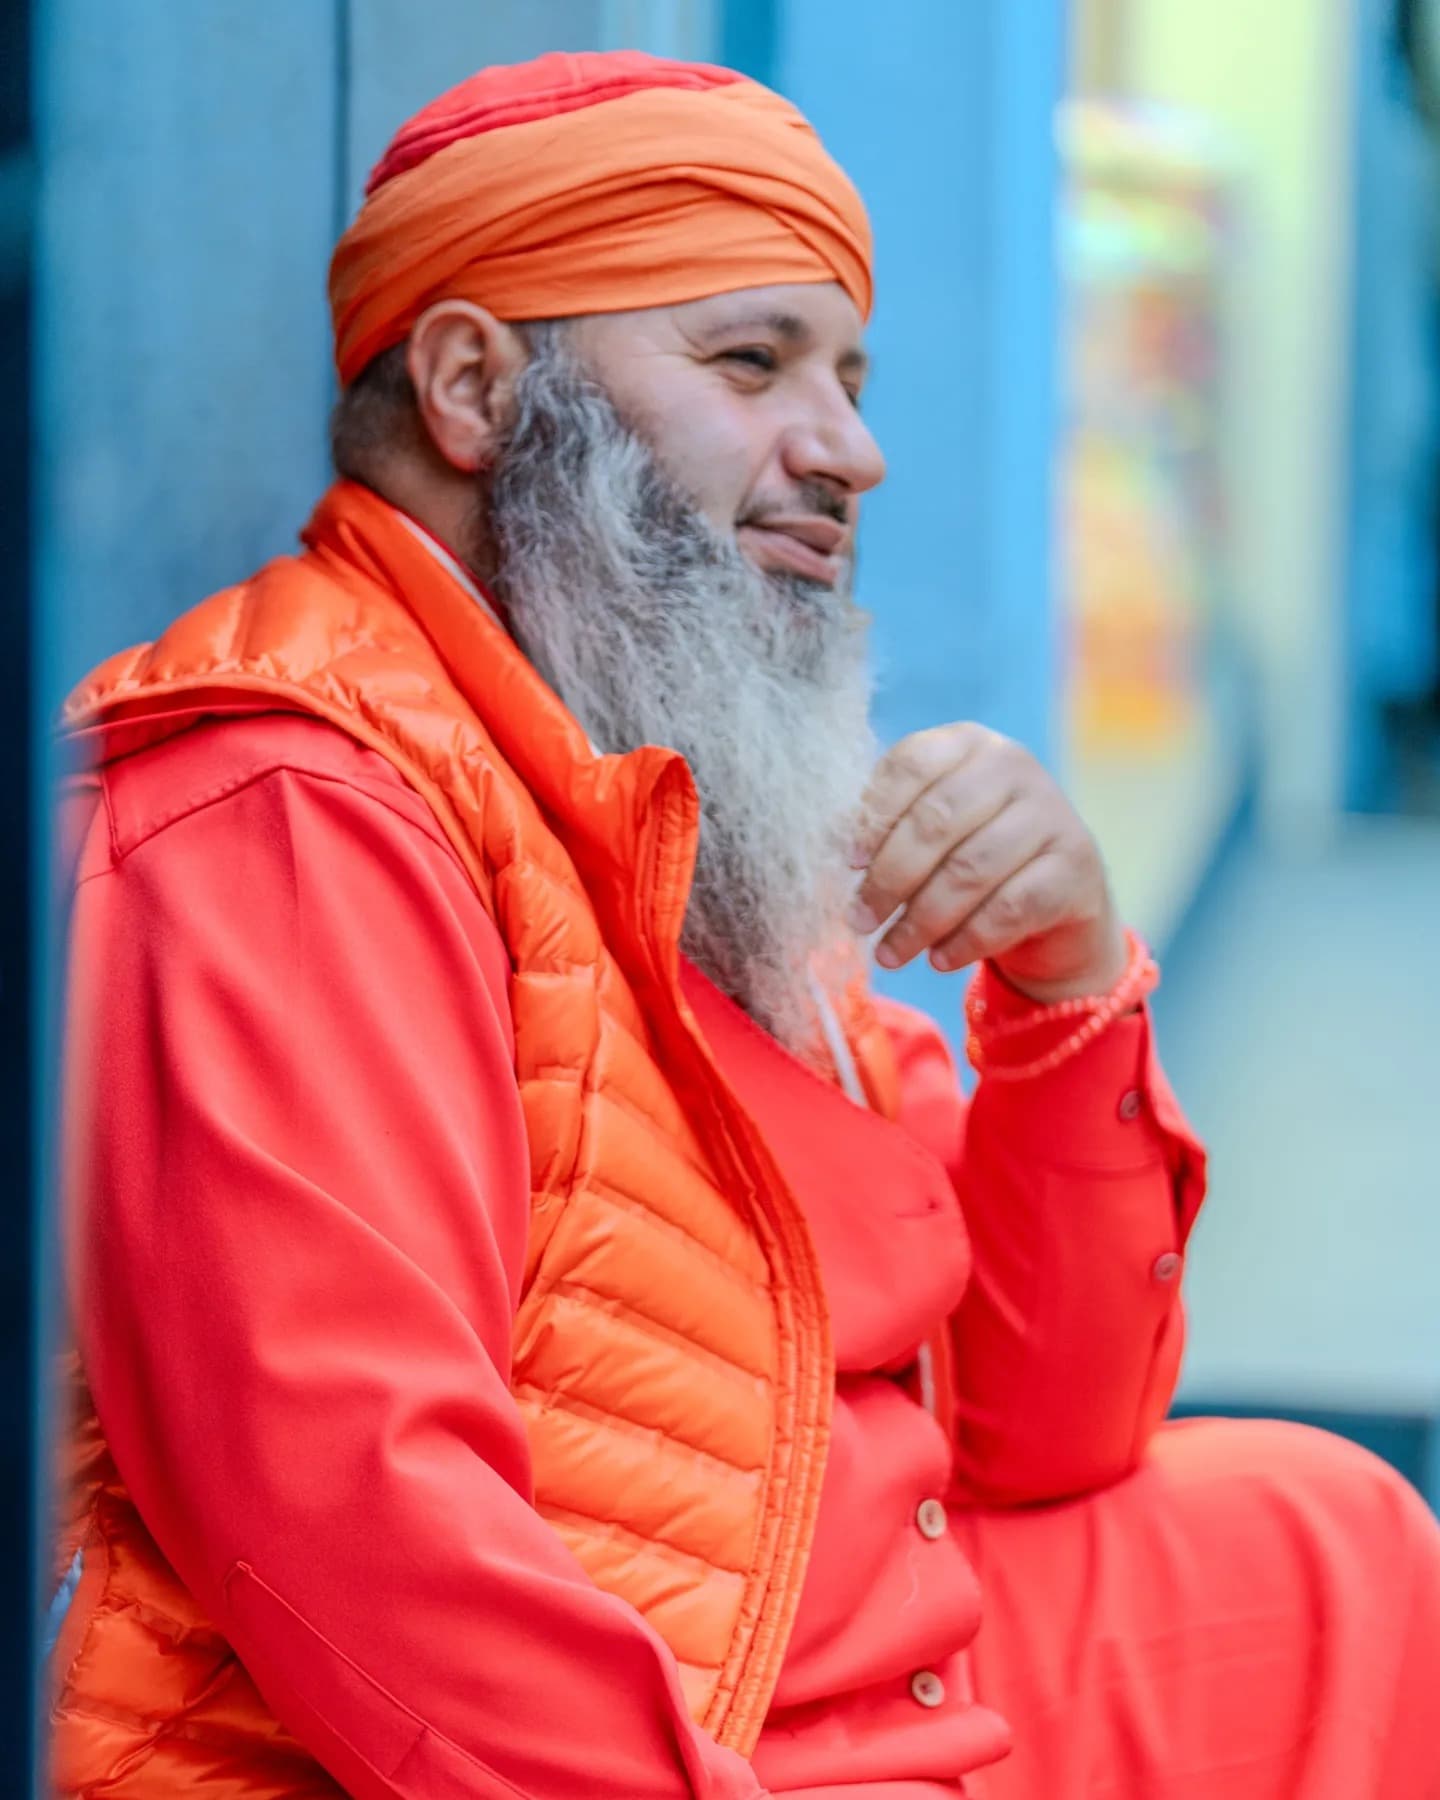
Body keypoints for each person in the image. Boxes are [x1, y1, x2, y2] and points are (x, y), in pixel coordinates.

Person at [52, 48, 1440, 1800]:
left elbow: (1045, 1433)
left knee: (1328, 1547)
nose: (851, 451)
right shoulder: (289, 808)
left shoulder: (674, 781)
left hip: (793, 1661)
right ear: (476, 388)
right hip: (595, 1745)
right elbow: (369, 1554)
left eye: (850, 377)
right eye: (751, 362)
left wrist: (1067, 983)